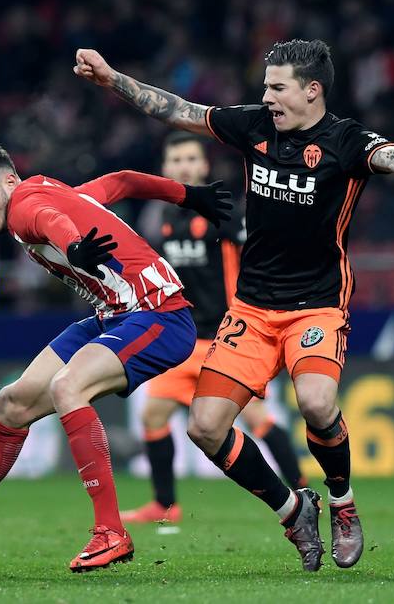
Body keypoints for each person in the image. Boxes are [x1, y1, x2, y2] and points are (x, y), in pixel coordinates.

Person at [74, 39, 394, 571]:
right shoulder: (254, 127)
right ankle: (292, 511)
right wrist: (112, 78)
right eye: (265, 87)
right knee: (204, 427)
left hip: (317, 305)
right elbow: (178, 109)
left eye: (277, 87)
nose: (266, 97)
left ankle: (342, 503)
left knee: (314, 402)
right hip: (252, 309)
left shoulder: (345, 141)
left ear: (312, 91)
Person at [0, 143, 232, 572]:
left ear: (8, 181)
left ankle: (111, 532)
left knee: (68, 386)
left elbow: (50, 222)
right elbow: (122, 181)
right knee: (12, 404)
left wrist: (74, 245)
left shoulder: (25, 206)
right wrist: (187, 195)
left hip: (159, 315)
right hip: (115, 316)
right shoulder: (54, 190)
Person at [121, 132, 305, 525]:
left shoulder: (223, 212)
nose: (184, 166)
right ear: (166, 170)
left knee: (258, 419)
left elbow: (261, 256)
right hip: (181, 341)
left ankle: (303, 490)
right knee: (153, 416)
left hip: (226, 339)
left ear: (204, 166)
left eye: (191, 159)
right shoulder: (165, 217)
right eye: (176, 161)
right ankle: (165, 506)